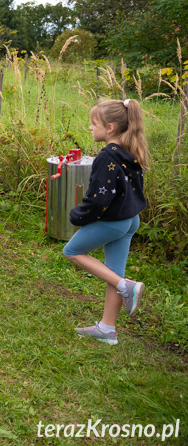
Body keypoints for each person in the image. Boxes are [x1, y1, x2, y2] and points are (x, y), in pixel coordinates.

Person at [62, 99, 149, 345]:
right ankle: (107, 329)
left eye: (94, 123)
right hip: (131, 219)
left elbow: (98, 200)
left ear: (109, 127)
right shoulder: (131, 149)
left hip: (114, 221)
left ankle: (127, 285)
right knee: (113, 273)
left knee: (72, 251)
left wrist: (77, 216)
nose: (90, 127)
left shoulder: (107, 156)